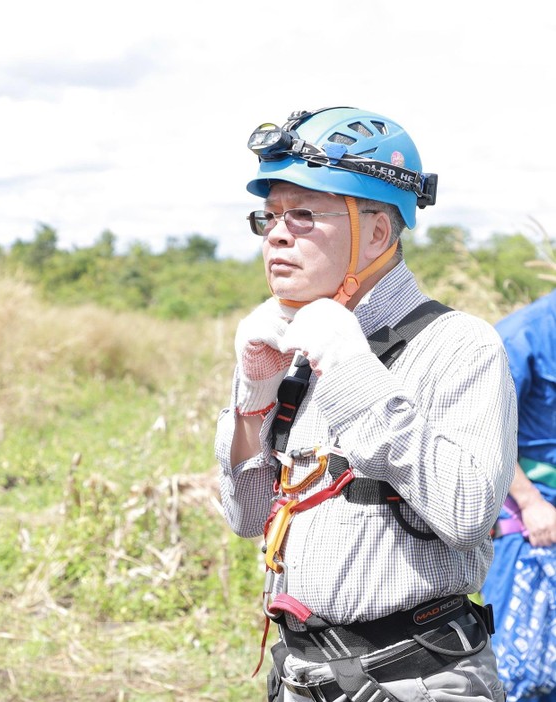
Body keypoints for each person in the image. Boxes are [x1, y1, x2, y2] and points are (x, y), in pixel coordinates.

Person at [214, 106, 518, 702]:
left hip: (418, 680)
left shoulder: (461, 345)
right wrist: (251, 401)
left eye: (303, 214)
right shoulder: (295, 346)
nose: (277, 233)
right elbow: (248, 517)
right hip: (303, 675)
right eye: (270, 215)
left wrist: (353, 372)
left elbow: (467, 512)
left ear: (377, 232)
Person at [481, 289, 556, 702]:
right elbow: (488, 431)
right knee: (519, 670)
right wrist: (530, 502)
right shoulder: (519, 336)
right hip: (529, 527)